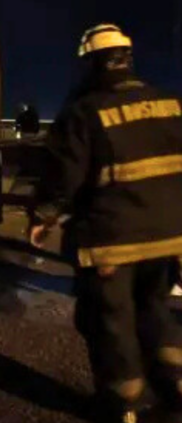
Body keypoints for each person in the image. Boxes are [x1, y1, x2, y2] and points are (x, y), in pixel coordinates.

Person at [30, 24, 182, 423]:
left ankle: (121, 404)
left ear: (92, 63)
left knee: (111, 322)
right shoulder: (170, 104)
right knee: (156, 310)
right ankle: (176, 388)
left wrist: (43, 215)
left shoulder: (84, 112)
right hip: (169, 236)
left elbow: (63, 177)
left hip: (111, 241)